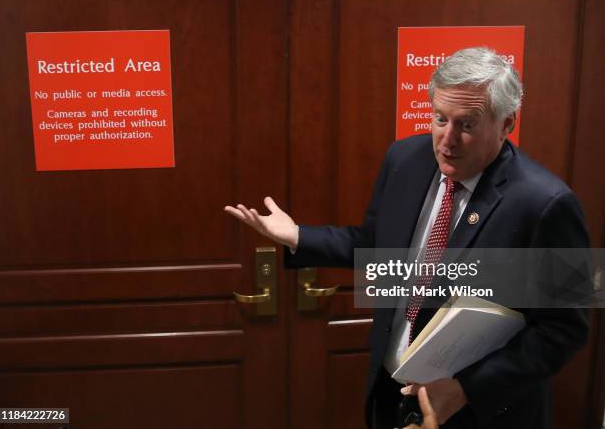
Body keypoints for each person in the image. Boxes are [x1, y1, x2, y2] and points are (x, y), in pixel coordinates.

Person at [224, 47, 590, 428]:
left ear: (507, 123)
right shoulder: (404, 158)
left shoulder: (549, 203)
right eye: (439, 119)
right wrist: (299, 236)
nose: (446, 141)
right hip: (391, 389)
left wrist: (468, 388)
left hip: (481, 409)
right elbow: (375, 246)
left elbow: (565, 328)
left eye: (466, 125)